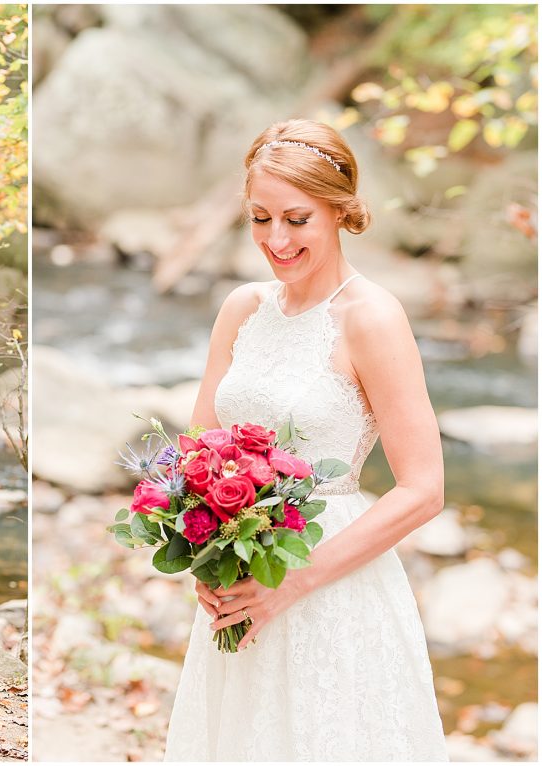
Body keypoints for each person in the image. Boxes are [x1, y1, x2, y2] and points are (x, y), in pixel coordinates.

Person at [163, 120, 448, 761]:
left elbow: (424, 490)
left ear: (341, 212)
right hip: (237, 569)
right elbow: (197, 446)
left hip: (332, 578)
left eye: (297, 219)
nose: (276, 240)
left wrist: (290, 584)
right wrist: (197, 546)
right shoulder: (242, 306)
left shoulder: (372, 318)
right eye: (260, 218)